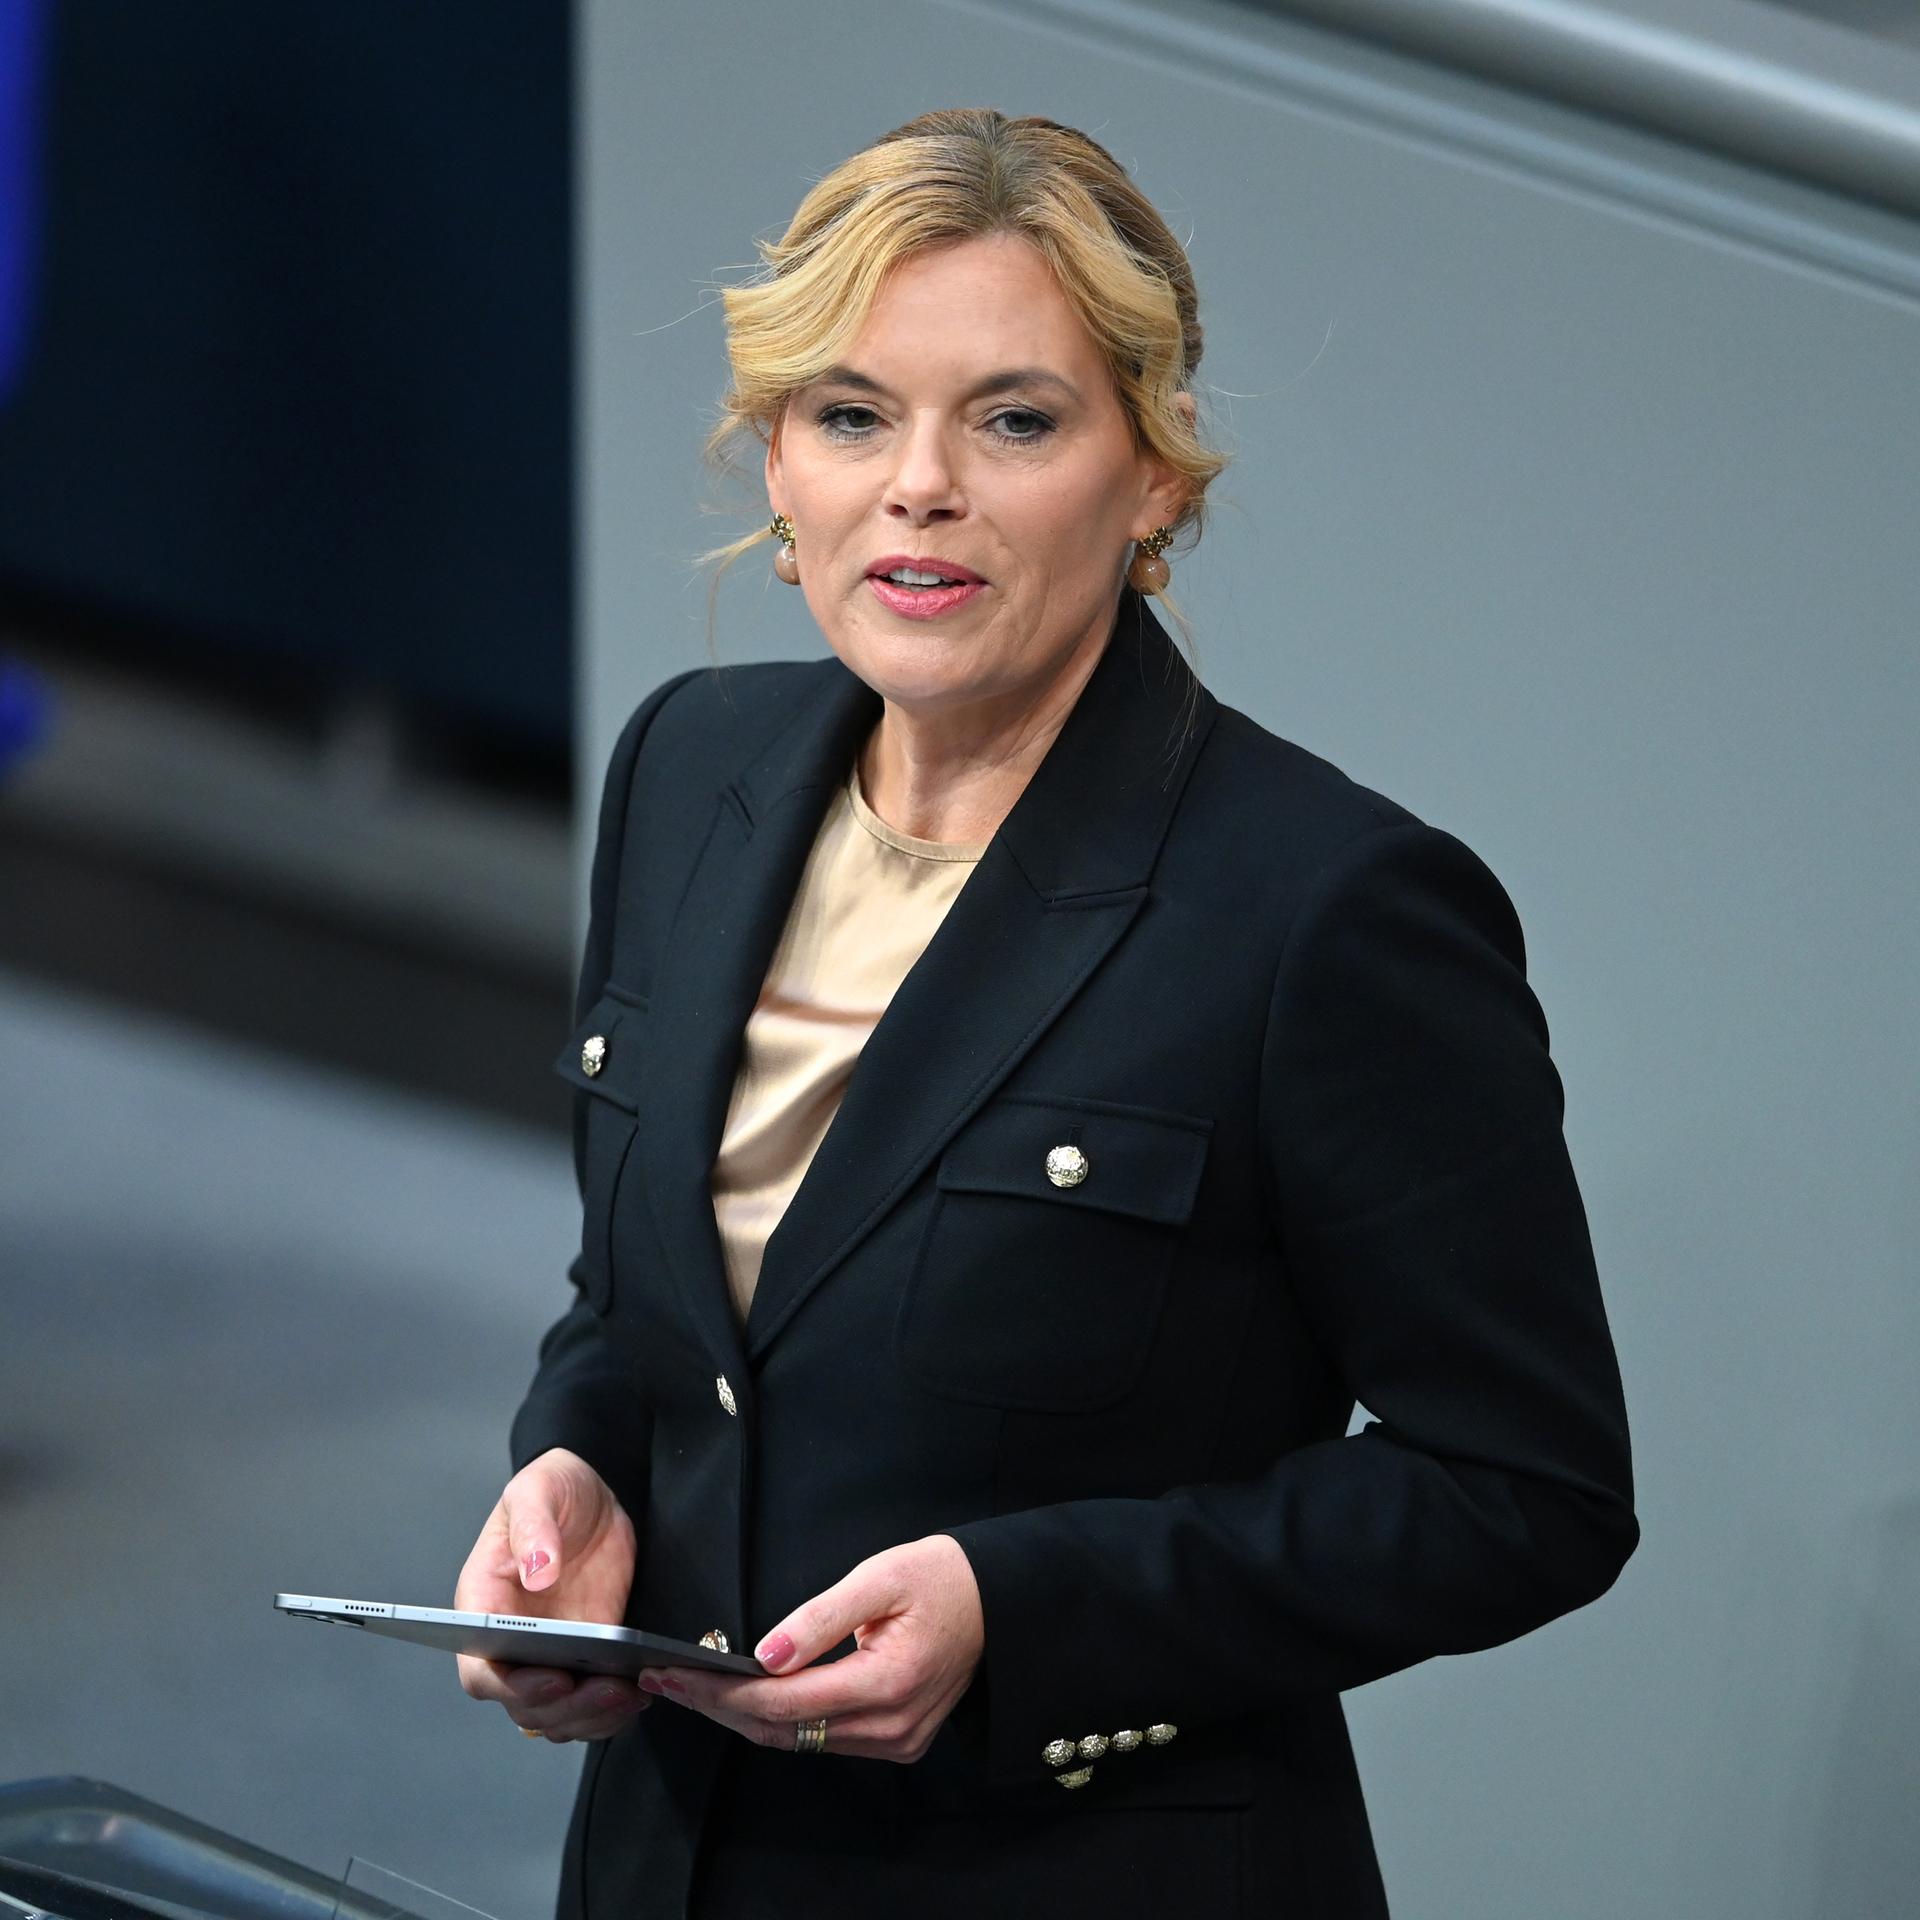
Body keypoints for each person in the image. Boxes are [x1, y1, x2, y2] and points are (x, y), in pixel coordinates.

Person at [454, 107, 1637, 1919]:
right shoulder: (687, 768)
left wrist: (1025, 1620)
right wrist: (578, 1476)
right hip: (672, 1862)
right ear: (777, 464)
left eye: (1013, 419)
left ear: (1151, 476)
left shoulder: (1327, 908)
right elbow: (653, 1306)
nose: (918, 485)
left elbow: (1525, 1487)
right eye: (851, 415)